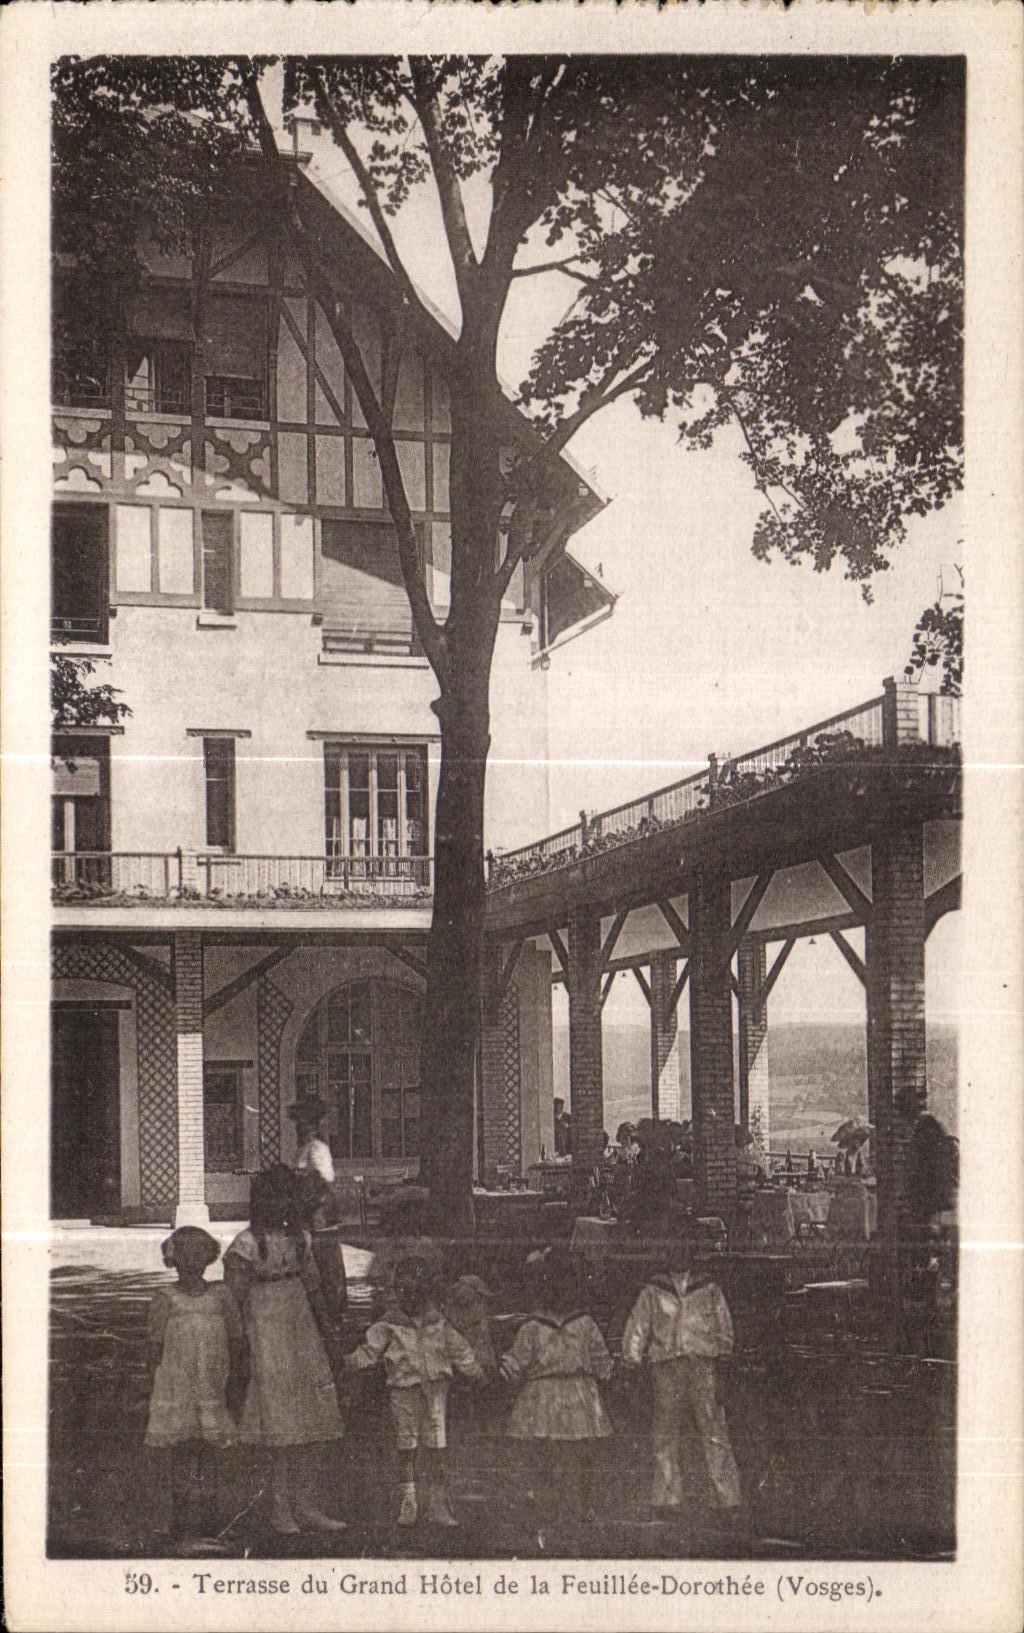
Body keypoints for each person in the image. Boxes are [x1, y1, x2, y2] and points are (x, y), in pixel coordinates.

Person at [224, 1165, 346, 1535]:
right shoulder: (247, 1244)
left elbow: (313, 1289)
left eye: (288, 1197)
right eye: (276, 1197)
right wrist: (240, 1341)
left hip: (299, 1328)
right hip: (266, 1330)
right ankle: (279, 1504)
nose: (284, 1204)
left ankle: (305, 1503)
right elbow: (233, 1299)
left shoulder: (300, 1241)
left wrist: (327, 1331)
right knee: (280, 1419)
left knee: (308, 1415)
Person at [344, 1255, 484, 1528]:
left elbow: (461, 1352)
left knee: (436, 1445)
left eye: (417, 1294)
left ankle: (437, 1502)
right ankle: (408, 1500)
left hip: (435, 1390)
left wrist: (476, 1372)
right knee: (406, 1445)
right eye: (404, 1293)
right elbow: (370, 1351)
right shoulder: (390, 1325)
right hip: (404, 1390)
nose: (411, 1300)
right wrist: (349, 1363)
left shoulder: (439, 1325)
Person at [621, 1243, 743, 1525]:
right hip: (667, 1365)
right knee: (665, 1430)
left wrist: (724, 1357)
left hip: (703, 1362)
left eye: (684, 1245)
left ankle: (726, 1499)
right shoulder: (654, 1289)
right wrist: (631, 1359)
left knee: (713, 1428)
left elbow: (723, 1324)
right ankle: (667, 1498)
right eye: (672, 1247)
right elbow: (639, 1326)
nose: (678, 1253)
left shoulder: (709, 1287)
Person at [499, 1247, 613, 1541]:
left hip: (578, 1395)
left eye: (568, 1284)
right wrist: (505, 1371)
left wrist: (610, 1370)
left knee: (582, 1453)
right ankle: (545, 1508)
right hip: (543, 1396)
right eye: (554, 1284)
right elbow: (517, 1358)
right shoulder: (533, 1327)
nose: (561, 1291)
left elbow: (600, 1357)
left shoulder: (585, 1325)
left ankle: (584, 1506)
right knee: (545, 1454)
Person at [144, 1227, 244, 1538]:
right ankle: (182, 1511)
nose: (193, 1262)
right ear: (174, 1259)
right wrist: (156, 1383)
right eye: (185, 1255)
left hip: (212, 1381)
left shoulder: (221, 1295)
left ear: (208, 1258)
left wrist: (236, 1377)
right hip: (178, 1384)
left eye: (199, 1254)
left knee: (209, 1445)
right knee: (183, 1445)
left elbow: (236, 1337)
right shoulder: (166, 1299)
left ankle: (209, 1510)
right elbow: (154, 1345)